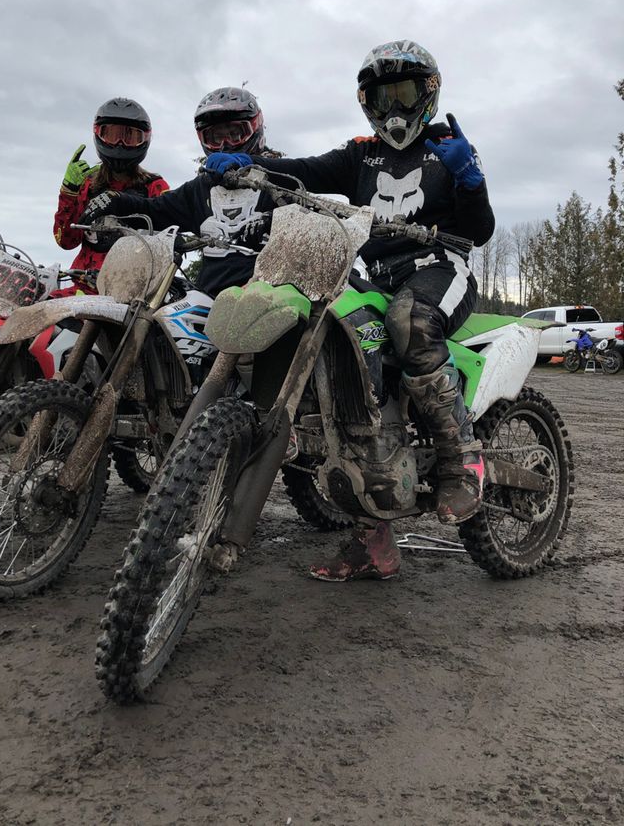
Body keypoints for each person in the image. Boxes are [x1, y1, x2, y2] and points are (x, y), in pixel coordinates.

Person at [203, 40, 495, 581]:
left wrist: (471, 176)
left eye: (403, 92)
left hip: (440, 269)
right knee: (343, 366)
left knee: (408, 323)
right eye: (382, 96)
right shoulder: (361, 155)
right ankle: (372, 537)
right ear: (367, 100)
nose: (393, 107)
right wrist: (250, 165)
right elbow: (303, 170)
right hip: (374, 275)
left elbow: (479, 231)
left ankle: (463, 457)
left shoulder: (448, 150)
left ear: (426, 93)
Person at [78, 86, 282, 297]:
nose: (225, 145)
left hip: (269, 297)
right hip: (208, 303)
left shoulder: (282, 178)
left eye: (234, 133)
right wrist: (116, 200)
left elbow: (311, 212)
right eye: (214, 137)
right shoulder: (200, 189)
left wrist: (276, 219)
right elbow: (153, 209)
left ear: (255, 127)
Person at [53, 97, 169, 293]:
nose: (120, 144)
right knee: (34, 316)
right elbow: (66, 241)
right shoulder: (87, 183)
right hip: (84, 286)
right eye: (112, 135)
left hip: (134, 291)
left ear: (144, 140)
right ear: (98, 135)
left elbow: (172, 234)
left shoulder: (154, 186)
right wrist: (68, 191)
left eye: (130, 136)